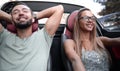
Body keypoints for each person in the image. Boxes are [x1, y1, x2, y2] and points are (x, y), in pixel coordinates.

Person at [0, 1, 64, 71]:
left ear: (33, 18)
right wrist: (10, 18)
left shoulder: (43, 36)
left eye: (25, 11)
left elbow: (59, 9)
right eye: (15, 12)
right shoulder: (3, 36)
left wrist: (34, 16)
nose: (21, 13)